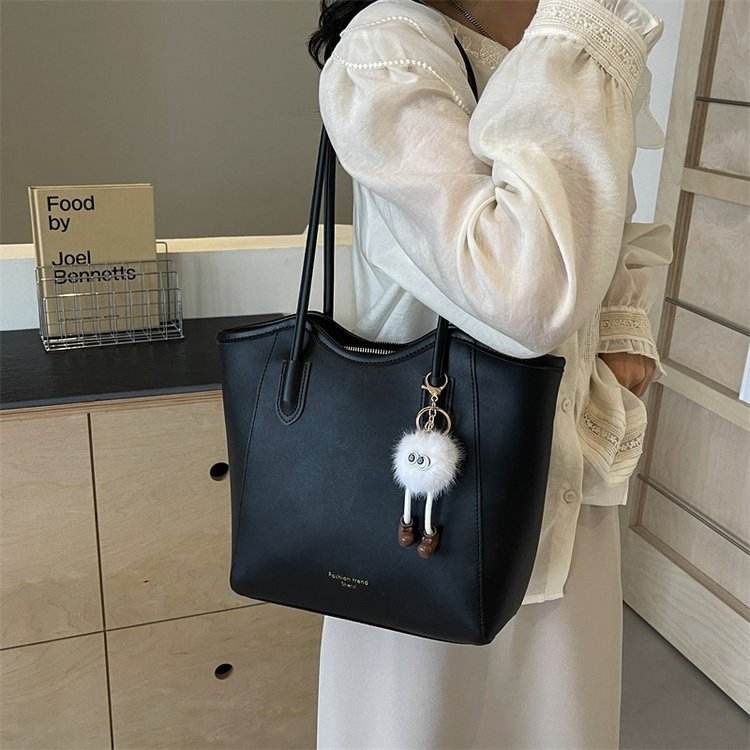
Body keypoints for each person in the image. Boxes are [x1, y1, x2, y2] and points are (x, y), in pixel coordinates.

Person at [308, 0, 673, 746]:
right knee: (426, 719)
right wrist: (574, 31)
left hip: (565, 468)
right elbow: (525, 288)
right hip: (427, 502)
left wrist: (622, 326)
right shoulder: (392, 46)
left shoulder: (565, 42)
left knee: (555, 715)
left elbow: (609, 210)